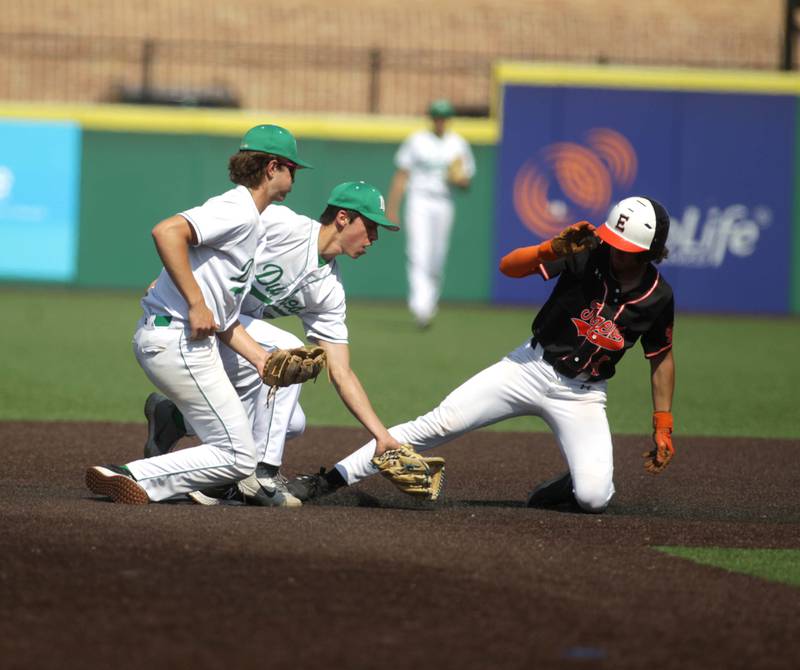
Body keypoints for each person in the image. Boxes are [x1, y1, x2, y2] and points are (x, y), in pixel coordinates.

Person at [287, 196, 676, 513]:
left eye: (627, 249)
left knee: (595, 498)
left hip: (584, 395)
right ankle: (327, 480)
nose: (616, 251)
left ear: (651, 253)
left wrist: (663, 425)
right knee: (437, 424)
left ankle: (571, 483)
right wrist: (550, 248)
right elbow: (509, 267)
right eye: (614, 241)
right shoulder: (587, 252)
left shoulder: (658, 297)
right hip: (529, 367)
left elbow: (661, 359)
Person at [141, 181, 407, 507]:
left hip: (234, 334)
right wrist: (171, 282)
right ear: (342, 218)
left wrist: (381, 435)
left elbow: (341, 371)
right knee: (287, 350)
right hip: (201, 321)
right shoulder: (282, 226)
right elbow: (207, 235)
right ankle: (261, 473)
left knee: (292, 423)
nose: (374, 238)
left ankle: (174, 420)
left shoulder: (330, 292)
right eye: (369, 226)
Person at [85, 124, 310, 504]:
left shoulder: (251, 221)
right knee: (239, 456)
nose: (294, 177)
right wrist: (194, 301)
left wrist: (260, 359)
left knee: (241, 449)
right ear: (272, 167)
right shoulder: (238, 209)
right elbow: (166, 232)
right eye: (292, 168)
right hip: (176, 341)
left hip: (184, 342)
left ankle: (155, 477)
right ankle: (129, 476)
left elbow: (224, 319)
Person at [386, 98, 476, 329]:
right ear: (432, 118)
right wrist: (392, 207)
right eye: (437, 116)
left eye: (444, 116)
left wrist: (458, 178)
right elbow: (402, 174)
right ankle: (420, 308)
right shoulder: (417, 141)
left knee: (437, 256)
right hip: (419, 200)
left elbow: (466, 182)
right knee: (417, 252)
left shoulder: (457, 144)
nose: (440, 121)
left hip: (444, 201)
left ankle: (429, 302)